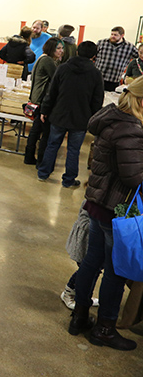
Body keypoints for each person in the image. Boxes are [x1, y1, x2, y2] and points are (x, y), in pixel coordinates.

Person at [68, 75, 143, 351]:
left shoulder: (111, 117)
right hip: (116, 208)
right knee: (116, 271)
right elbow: (134, 176)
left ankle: (79, 316)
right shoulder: (131, 128)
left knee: (92, 261)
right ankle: (105, 328)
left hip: (99, 203)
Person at [37, 41, 103, 187]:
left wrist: (45, 110)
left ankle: (43, 173)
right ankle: (68, 180)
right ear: (94, 56)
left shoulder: (63, 68)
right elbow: (97, 100)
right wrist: (94, 118)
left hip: (59, 114)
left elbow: (52, 92)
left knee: (52, 145)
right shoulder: (95, 74)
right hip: (81, 118)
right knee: (74, 150)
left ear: (77, 51)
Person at [24, 38, 63, 166]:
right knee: (45, 133)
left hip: (36, 99)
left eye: (62, 48)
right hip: (42, 100)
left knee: (35, 131)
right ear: (51, 48)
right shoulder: (47, 60)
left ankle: (29, 157)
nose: (61, 51)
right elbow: (57, 79)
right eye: (58, 48)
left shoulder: (43, 58)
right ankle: (41, 161)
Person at [95, 26, 139, 92]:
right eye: (112, 34)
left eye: (115, 35)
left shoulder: (129, 47)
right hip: (98, 77)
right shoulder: (102, 43)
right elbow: (93, 55)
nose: (113, 36)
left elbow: (139, 57)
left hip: (114, 80)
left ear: (122, 35)